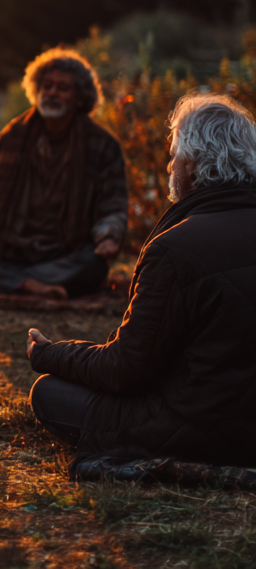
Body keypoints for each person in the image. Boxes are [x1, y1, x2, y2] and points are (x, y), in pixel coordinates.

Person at [27, 93, 256, 470]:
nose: (171, 167)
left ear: (193, 165)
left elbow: (126, 370)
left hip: (202, 427)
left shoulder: (174, 247)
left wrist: (49, 354)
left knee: (49, 392)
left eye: (174, 156)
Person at [0, 48, 128, 299]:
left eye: (62, 88)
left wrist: (109, 237)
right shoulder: (12, 136)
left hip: (60, 254)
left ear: (79, 98)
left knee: (93, 265)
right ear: (36, 89)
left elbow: (113, 206)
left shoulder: (102, 145)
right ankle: (27, 284)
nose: (52, 93)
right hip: (6, 249)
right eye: (46, 86)